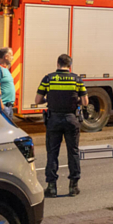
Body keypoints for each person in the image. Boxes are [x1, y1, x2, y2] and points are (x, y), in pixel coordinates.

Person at [35, 54, 88, 198]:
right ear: (69, 65)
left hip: (54, 119)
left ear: (57, 64)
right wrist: (74, 101)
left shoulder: (48, 78)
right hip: (71, 119)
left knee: (52, 153)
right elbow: (85, 101)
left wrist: (50, 99)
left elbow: (38, 100)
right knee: (73, 152)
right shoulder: (77, 79)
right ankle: (73, 187)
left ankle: (51, 187)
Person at [0, 47, 16, 123]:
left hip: (8, 107)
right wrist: (1, 105)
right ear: (6, 56)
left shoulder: (4, 68)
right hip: (3, 107)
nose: (13, 57)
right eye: (11, 55)